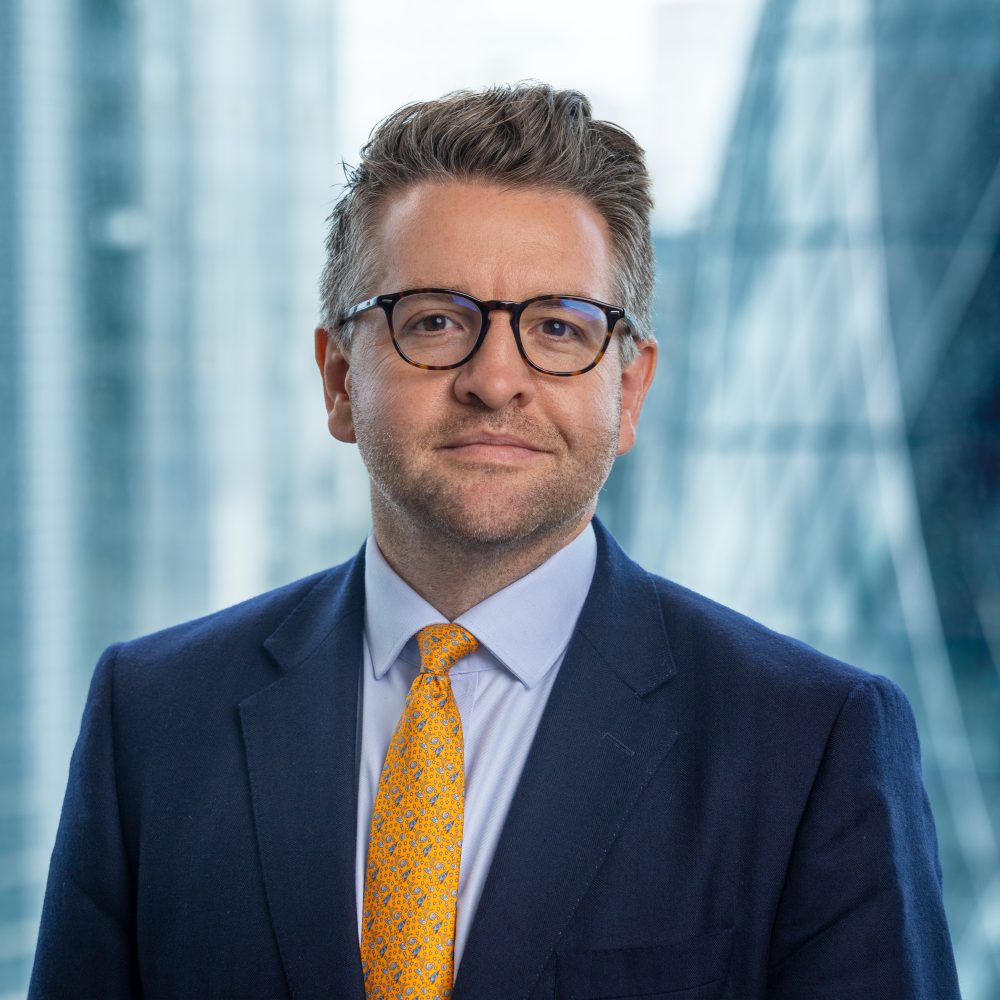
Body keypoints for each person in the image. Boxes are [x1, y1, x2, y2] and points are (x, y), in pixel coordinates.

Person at [30, 84, 960, 1000]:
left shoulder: (810, 743)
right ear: (339, 380)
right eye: (435, 321)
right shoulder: (151, 719)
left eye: (557, 327)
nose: (496, 379)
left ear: (629, 390)